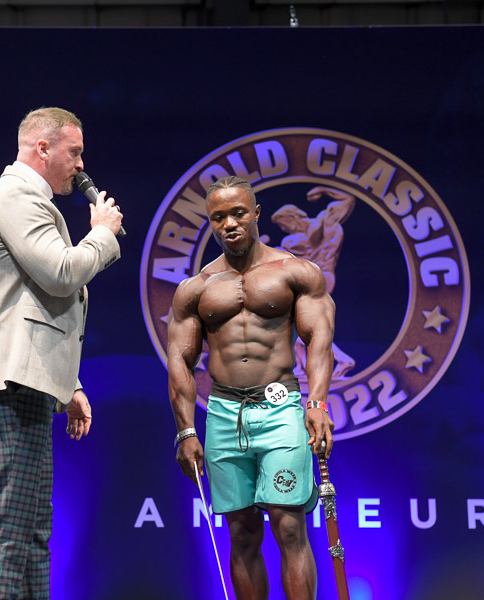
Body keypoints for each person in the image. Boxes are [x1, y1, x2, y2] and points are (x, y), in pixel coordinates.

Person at [0, 107, 123, 599]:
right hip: (4, 380)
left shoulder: (30, 200)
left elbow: (35, 301)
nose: (81, 165)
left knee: (31, 528)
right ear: (42, 148)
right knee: (7, 524)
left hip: (24, 379)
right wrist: (103, 233)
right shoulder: (13, 195)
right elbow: (61, 274)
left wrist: (71, 384)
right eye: (75, 152)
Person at [167, 176, 335, 600]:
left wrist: (317, 403)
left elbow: (319, 338)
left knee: (289, 525)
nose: (229, 224)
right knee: (241, 532)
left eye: (238, 213)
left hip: (280, 408)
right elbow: (180, 361)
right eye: (218, 217)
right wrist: (186, 431)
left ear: (256, 214)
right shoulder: (196, 288)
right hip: (225, 414)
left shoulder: (295, 271)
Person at [270, 186, 356, 378]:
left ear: (292, 217)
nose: (284, 230)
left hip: (321, 276)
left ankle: (341, 360)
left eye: (283, 225)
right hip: (307, 279)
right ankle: (300, 368)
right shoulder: (290, 241)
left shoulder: (326, 222)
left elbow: (348, 200)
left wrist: (323, 190)